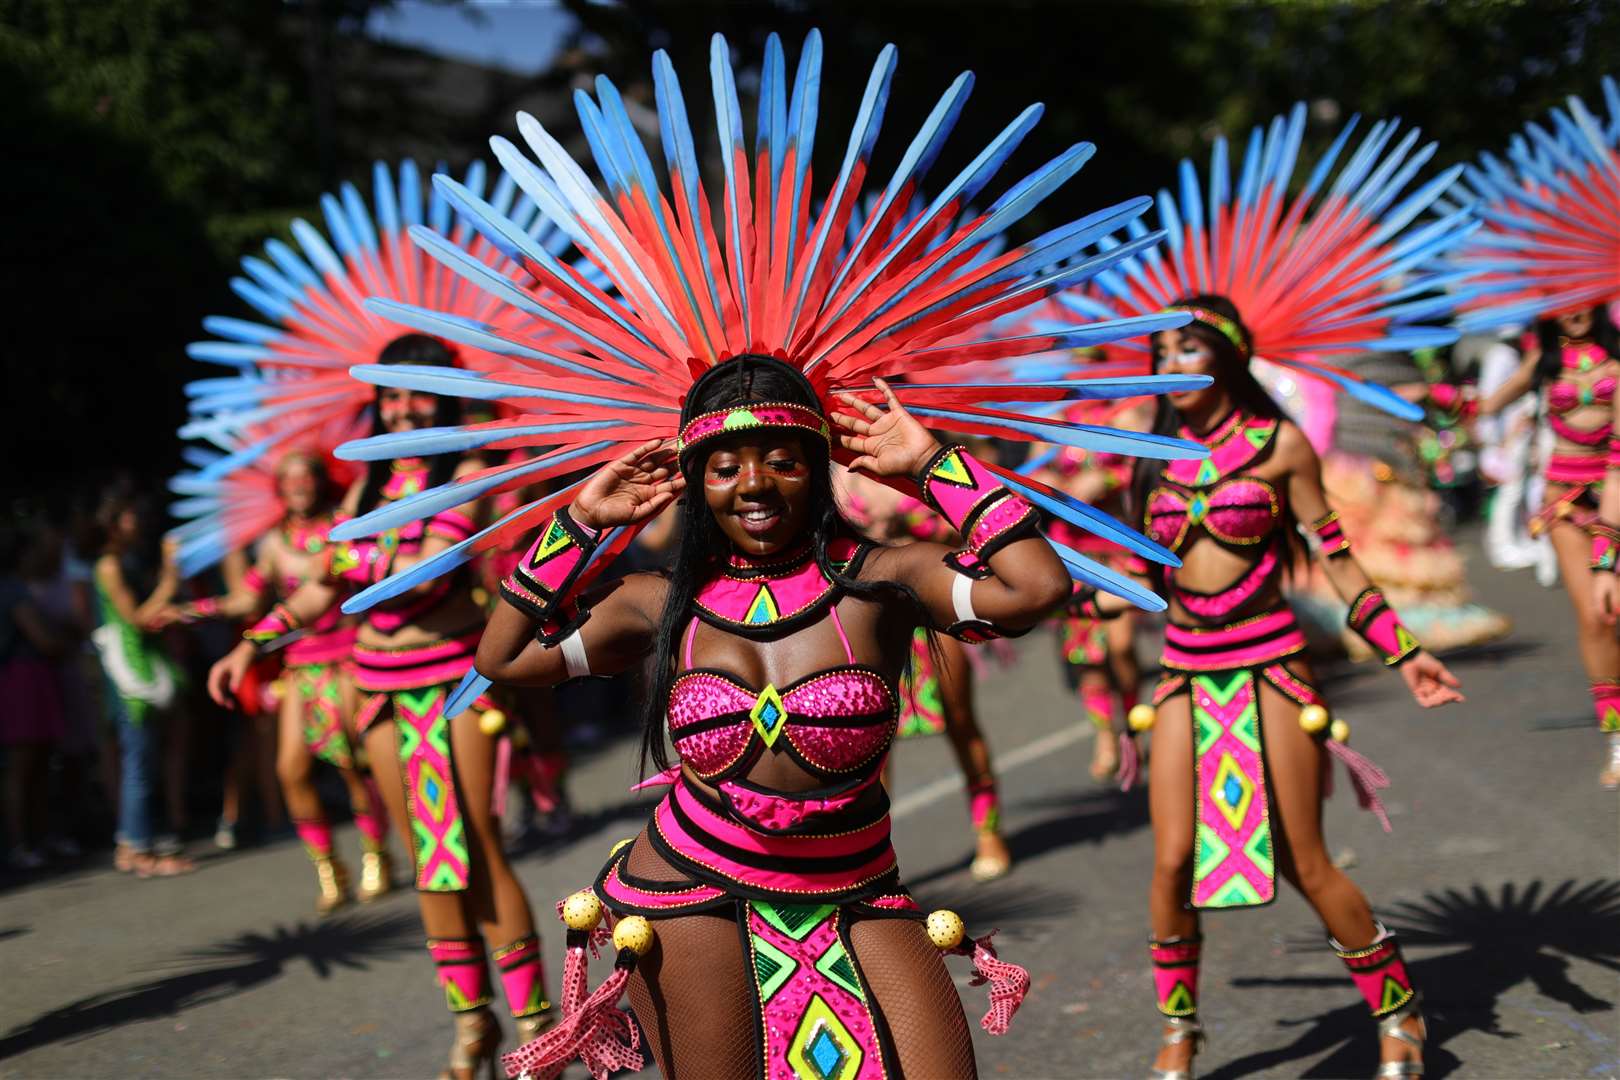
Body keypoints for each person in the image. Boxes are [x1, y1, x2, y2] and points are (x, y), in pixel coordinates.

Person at [1070, 104, 1488, 1079]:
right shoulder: (1151, 459)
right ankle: (1181, 1028)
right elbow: (1136, 570)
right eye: (1163, 353)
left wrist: (1404, 651)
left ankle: (1398, 1007)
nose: (1173, 366)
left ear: (1229, 359)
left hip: (1269, 669)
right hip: (1183, 674)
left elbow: (1336, 559)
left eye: (1192, 350)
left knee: (1306, 859)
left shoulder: (1281, 447)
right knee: (1171, 861)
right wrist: (1073, 593)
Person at [1445, 80, 1620, 787]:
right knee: (1597, 619)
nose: (1573, 305)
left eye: (1585, 291)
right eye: (1560, 291)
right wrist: (1440, 409)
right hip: (1564, 498)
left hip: (1615, 487)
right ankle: (1617, 735)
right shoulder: (1538, 359)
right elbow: (1478, 406)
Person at [162, 452, 392, 911]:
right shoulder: (271, 543)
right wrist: (189, 611)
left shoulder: (345, 525)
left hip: (346, 657)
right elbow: (249, 599)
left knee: (353, 762)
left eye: (306, 475)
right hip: (299, 664)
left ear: (320, 481)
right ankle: (330, 870)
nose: (299, 485)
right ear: (279, 489)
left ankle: (376, 857)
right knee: (290, 769)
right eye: (289, 479)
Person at [839, 466, 1014, 881]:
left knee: (960, 719)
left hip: (931, 611)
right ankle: (874, 855)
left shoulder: (918, 460)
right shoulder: (836, 475)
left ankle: (989, 832)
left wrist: (909, 528)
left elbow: (964, 535)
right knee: (873, 741)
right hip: (872, 617)